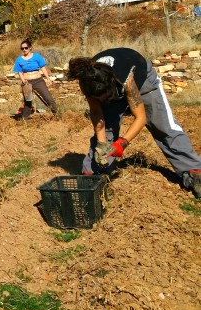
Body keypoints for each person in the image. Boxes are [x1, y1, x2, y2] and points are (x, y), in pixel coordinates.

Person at [68, 47, 201, 198]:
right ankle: (93, 176)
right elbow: (97, 112)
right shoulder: (88, 81)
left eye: (104, 97)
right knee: (107, 133)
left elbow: (141, 117)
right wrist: (101, 143)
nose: (103, 101)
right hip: (107, 86)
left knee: (164, 126)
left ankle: (194, 171)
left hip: (143, 81)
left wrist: (122, 143)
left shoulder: (126, 78)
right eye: (100, 98)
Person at [12, 39, 57, 119]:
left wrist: (48, 78)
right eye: (22, 48)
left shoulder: (37, 56)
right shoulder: (19, 59)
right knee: (28, 101)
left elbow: (43, 68)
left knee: (47, 97)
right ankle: (25, 118)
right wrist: (24, 82)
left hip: (38, 80)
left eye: (26, 48)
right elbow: (20, 72)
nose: (24, 50)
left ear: (30, 48)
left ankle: (56, 114)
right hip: (27, 82)